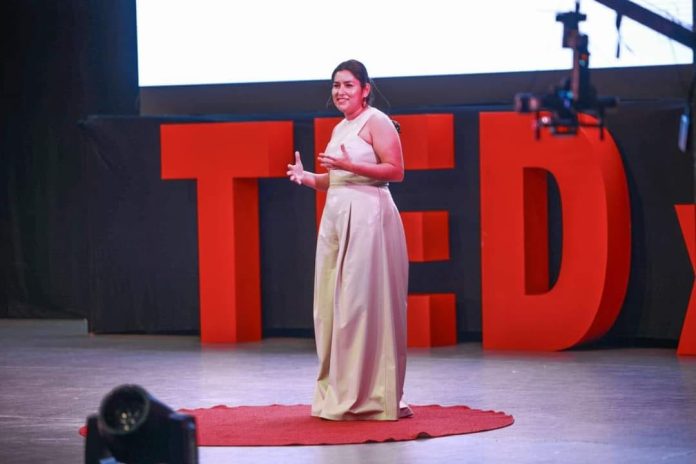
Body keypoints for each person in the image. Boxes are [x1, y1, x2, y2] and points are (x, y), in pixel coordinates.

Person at [287, 59, 412, 421]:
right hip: (337, 217)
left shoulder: (377, 121)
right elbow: (336, 178)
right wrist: (308, 177)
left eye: (348, 85)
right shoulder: (341, 127)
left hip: (368, 217)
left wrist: (351, 167)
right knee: (333, 305)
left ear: (365, 89)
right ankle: (342, 390)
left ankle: (373, 395)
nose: (340, 92)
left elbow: (396, 171)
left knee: (362, 304)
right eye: (336, 85)